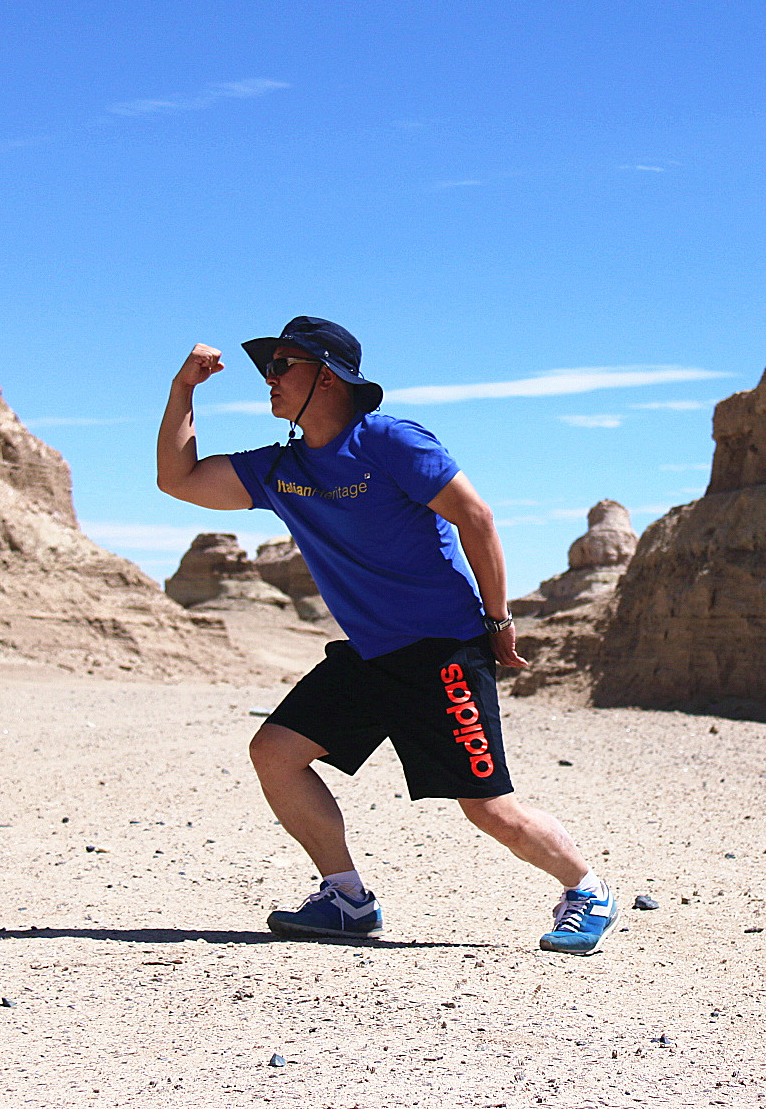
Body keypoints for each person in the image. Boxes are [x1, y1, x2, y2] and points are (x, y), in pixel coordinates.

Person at [154, 316, 618, 954]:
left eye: (283, 364)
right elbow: (178, 480)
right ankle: (346, 899)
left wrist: (498, 620)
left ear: (328, 374)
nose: (269, 378)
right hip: (370, 656)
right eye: (267, 366)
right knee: (276, 753)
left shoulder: (389, 440)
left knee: (488, 808)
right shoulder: (278, 470)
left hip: (441, 651)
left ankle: (586, 888)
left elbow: (475, 517)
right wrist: (184, 389)